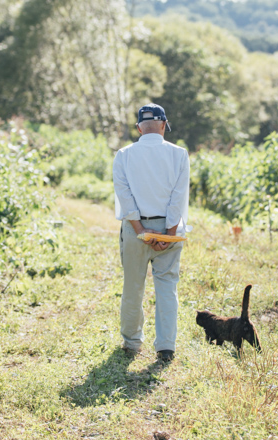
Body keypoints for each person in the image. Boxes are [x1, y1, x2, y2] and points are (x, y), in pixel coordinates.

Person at [113, 103, 190, 363]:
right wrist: (168, 233)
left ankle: (131, 342)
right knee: (167, 286)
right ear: (163, 125)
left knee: (132, 286)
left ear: (138, 128)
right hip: (168, 228)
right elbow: (177, 199)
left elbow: (125, 198)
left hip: (135, 229)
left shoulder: (123, 155)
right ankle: (166, 346)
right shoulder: (179, 154)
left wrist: (141, 230)